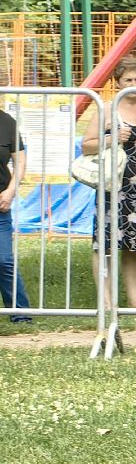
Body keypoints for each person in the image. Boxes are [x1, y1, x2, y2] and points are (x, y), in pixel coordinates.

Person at [83, 55, 136, 315]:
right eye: (128, 80)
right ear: (117, 83)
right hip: (112, 186)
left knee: (134, 244)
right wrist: (112, 138)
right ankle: (106, 302)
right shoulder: (107, 109)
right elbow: (86, 146)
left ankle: (134, 301)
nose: (134, 85)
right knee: (105, 243)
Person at [0, 100, 32, 320]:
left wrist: (11, 191)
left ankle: (20, 314)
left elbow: (20, 161)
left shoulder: (7, 122)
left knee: (4, 260)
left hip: (1, 203)